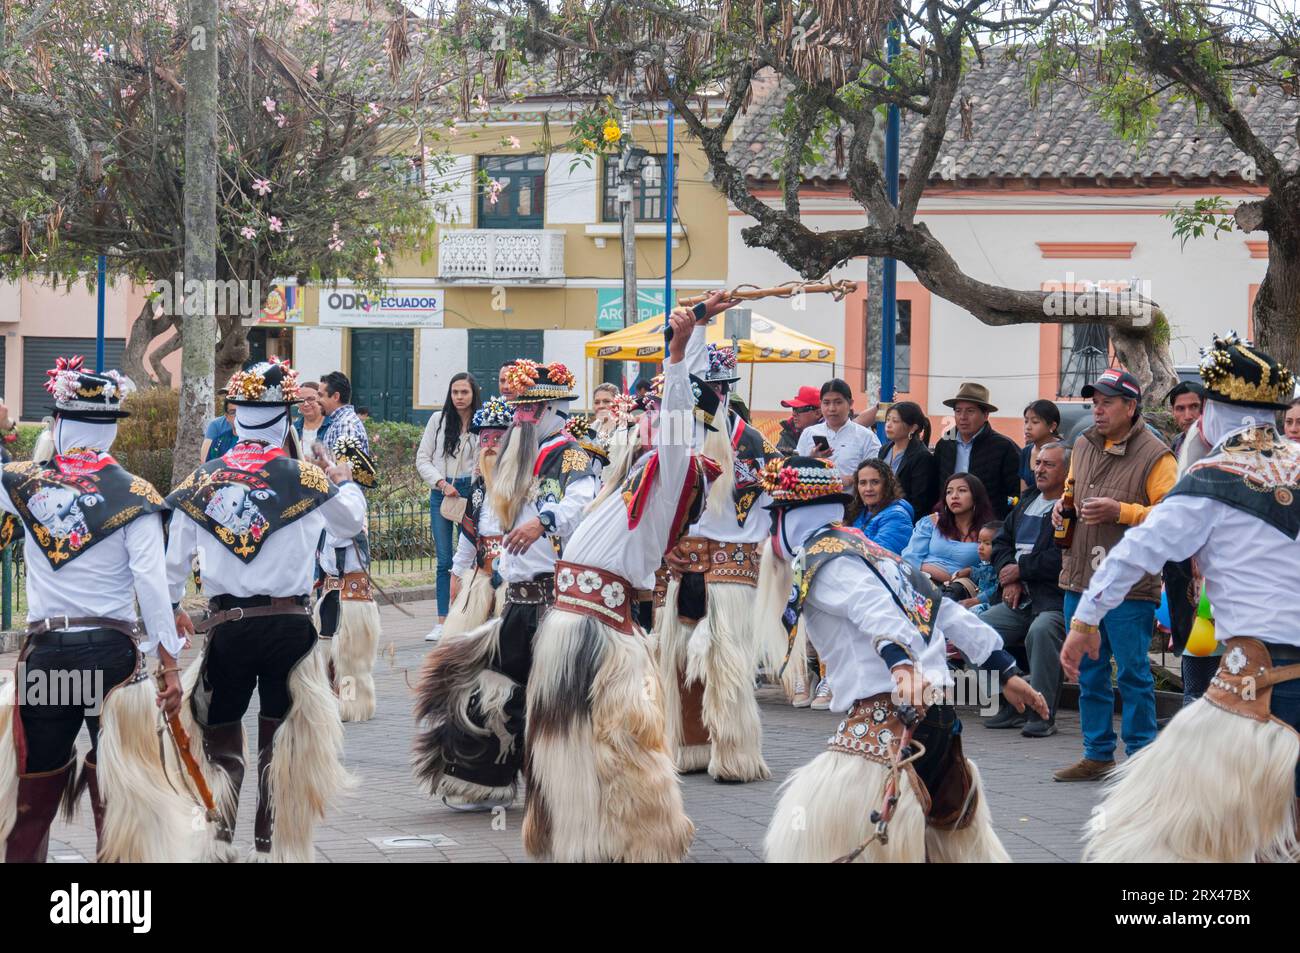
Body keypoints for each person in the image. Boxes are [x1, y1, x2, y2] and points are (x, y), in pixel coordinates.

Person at [523, 295, 739, 862]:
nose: (640, 425)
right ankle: (581, 840)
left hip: (599, 628)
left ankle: (644, 841)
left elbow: (674, 418)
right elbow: (666, 411)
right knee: (560, 743)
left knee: (620, 742)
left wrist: (676, 351)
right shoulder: (629, 480)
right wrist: (695, 331)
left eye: (648, 421)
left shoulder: (672, 474)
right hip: (572, 619)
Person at [1070, 333, 1300, 862]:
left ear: (1216, 413)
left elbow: (1136, 553)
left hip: (1253, 691)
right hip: (1265, 683)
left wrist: (1084, 622)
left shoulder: (1211, 476)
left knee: (1160, 828)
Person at [759, 455, 1047, 862]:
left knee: (826, 839)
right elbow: (940, 608)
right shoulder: (868, 549)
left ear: (792, 516)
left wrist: (902, 666)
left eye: (776, 517)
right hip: (937, 716)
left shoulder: (823, 562)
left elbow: (872, 608)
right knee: (930, 844)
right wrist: (1003, 669)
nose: (770, 530)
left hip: (891, 712)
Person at [165, 358, 365, 862]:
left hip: (228, 628)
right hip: (291, 628)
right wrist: (337, 477)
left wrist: (170, 610)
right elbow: (349, 525)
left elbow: (173, 561)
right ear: (285, 417)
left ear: (235, 417)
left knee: (219, 736)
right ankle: (271, 844)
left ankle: (220, 841)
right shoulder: (305, 477)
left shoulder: (202, 480)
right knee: (282, 743)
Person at [0, 357, 195, 863]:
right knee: (119, 787)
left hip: (47, 656)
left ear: (60, 423)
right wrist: (169, 663)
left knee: (35, 787)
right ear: (110, 430)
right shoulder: (136, 494)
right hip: (112, 656)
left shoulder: (21, 483)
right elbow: (152, 587)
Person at [407, 360, 598, 809]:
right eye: (517, 408)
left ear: (548, 408)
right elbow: (488, 517)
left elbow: (581, 500)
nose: (518, 417)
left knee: (555, 696)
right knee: (494, 688)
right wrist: (467, 566)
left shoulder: (568, 451)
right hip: (515, 599)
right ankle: (486, 781)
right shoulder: (515, 451)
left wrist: (544, 523)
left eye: (526, 409)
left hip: (556, 600)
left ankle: (561, 788)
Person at [656, 342, 777, 782]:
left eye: (705, 391)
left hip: (730, 570)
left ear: (722, 391)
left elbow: (771, 509)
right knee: (679, 665)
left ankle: (735, 754)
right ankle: (690, 748)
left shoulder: (753, 443)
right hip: (684, 564)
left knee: (727, 668)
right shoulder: (679, 436)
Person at [1050, 366, 1177, 783]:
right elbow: (1070, 490)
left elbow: (1172, 516)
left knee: (1135, 674)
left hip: (1130, 585)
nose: (1098, 410)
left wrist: (1120, 511)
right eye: (1095, 403)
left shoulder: (1157, 454)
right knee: (1089, 673)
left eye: (1106, 403)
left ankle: (1141, 760)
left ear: (1131, 406)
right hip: (1080, 577)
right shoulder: (1083, 444)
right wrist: (1061, 507)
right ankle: (1097, 753)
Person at [980, 442, 1069, 737]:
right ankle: (1012, 701)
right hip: (1017, 597)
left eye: (1049, 464)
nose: (1039, 469)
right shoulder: (1028, 498)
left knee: (1042, 631)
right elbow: (1001, 543)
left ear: (1067, 471)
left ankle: (1041, 712)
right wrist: (1012, 577)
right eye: (1038, 463)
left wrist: (1023, 569)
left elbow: (1062, 557)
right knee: (978, 630)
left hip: (1053, 599)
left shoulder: (1069, 507)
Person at [312, 434, 381, 723]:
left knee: (349, 657)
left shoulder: (352, 507)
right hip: (332, 592)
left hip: (352, 596)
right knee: (326, 650)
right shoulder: (338, 504)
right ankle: (332, 699)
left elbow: (340, 532)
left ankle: (351, 704)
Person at [415, 372, 481, 640]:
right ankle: (443, 620)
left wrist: (479, 481)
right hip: (443, 492)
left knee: (473, 558)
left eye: (464, 392)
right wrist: (441, 484)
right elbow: (422, 458)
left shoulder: (481, 422)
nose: (459, 397)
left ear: (473, 393)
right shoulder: (438, 421)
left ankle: (468, 617)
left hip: (473, 491)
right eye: (455, 392)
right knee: (444, 559)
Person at [933, 383, 1021, 518]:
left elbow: (1015, 493)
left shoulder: (1004, 447)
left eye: (970, 411)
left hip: (988, 525)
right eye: (958, 411)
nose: (963, 417)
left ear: (985, 415)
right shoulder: (944, 445)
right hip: (949, 522)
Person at [901, 472, 992, 583]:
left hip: (958, 591)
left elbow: (989, 572)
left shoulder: (989, 532)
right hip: (919, 581)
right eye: (949, 492)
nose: (954, 496)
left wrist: (949, 578)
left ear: (976, 497)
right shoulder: (932, 522)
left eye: (962, 490)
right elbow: (910, 558)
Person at [795, 379, 880, 487]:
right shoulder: (808, 433)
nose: (832, 408)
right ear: (820, 405)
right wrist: (811, 459)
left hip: (852, 502)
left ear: (850, 403)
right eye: (826, 403)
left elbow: (876, 472)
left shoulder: (866, 437)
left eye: (838, 402)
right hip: (815, 501)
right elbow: (794, 471)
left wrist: (851, 479)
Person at [880, 400, 938, 517]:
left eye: (895, 421)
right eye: (888, 420)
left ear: (913, 428)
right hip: (881, 514)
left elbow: (920, 502)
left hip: (906, 518)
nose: (888, 425)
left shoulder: (922, 456)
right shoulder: (885, 449)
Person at [846, 458, 914, 554]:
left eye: (875, 482)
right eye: (863, 483)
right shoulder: (860, 511)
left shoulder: (897, 516)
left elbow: (879, 556)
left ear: (887, 485)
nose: (868, 488)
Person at [953, 522, 1001, 615]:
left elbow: (997, 589)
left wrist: (976, 600)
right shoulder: (986, 563)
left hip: (991, 605)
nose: (980, 547)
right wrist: (971, 571)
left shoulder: (1001, 567)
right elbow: (983, 574)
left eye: (987, 543)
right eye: (979, 542)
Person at [317, 370, 370, 453]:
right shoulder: (339, 422)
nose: (317, 400)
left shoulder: (346, 424)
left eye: (320, 395)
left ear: (335, 396)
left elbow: (346, 464)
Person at [1020, 399, 1061, 489]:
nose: (1028, 427)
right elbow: (1023, 493)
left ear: (1052, 426)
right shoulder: (1025, 452)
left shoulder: (1064, 451)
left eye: (1035, 422)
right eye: (1026, 421)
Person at [777, 385, 824, 454]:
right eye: (793, 409)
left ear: (817, 413)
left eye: (799, 409)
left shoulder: (827, 435)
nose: (794, 414)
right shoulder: (788, 432)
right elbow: (775, 462)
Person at [1166, 380, 1205, 459]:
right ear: (1173, 411)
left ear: (1205, 407)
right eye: (1180, 408)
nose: (1188, 416)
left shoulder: (1219, 445)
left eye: (1194, 407)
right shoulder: (1176, 443)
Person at [201, 396, 239, 462]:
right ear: (227, 417)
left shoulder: (259, 438)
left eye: (242, 412)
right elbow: (207, 466)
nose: (238, 416)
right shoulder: (219, 441)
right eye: (233, 413)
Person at [294, 381, 325, 450]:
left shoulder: (332, 425)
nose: (306, 404)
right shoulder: (293, 429)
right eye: (301, 400)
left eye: (310, 399)